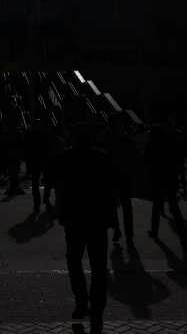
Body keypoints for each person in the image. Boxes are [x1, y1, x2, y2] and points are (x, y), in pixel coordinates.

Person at [51, 122, 115, 334]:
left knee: (74, 259)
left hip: (74, 216)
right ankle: (97, 306)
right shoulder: (102, 157)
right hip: (97, 217)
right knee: (98, 264)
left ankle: (80, 300)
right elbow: (110, 189)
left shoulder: (64, 157)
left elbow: (55, 181)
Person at [96, 113, 138, 245]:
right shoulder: (124, 135)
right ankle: (129, 234)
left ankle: (116, 228)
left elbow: (98, 154)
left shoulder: (103, 136)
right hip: (123, 173)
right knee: (126, 205)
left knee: (111, 204)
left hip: (110, 175)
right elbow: (135, 150)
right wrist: (128, 164)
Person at [143, 124, 187, 244]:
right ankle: (182, 233)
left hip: (156, 178)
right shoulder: (170, 143)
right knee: (174, 206)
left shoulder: (151, 145)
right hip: (169, 178)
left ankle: (155, 230)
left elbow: (145, 161)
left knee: (156, 206)